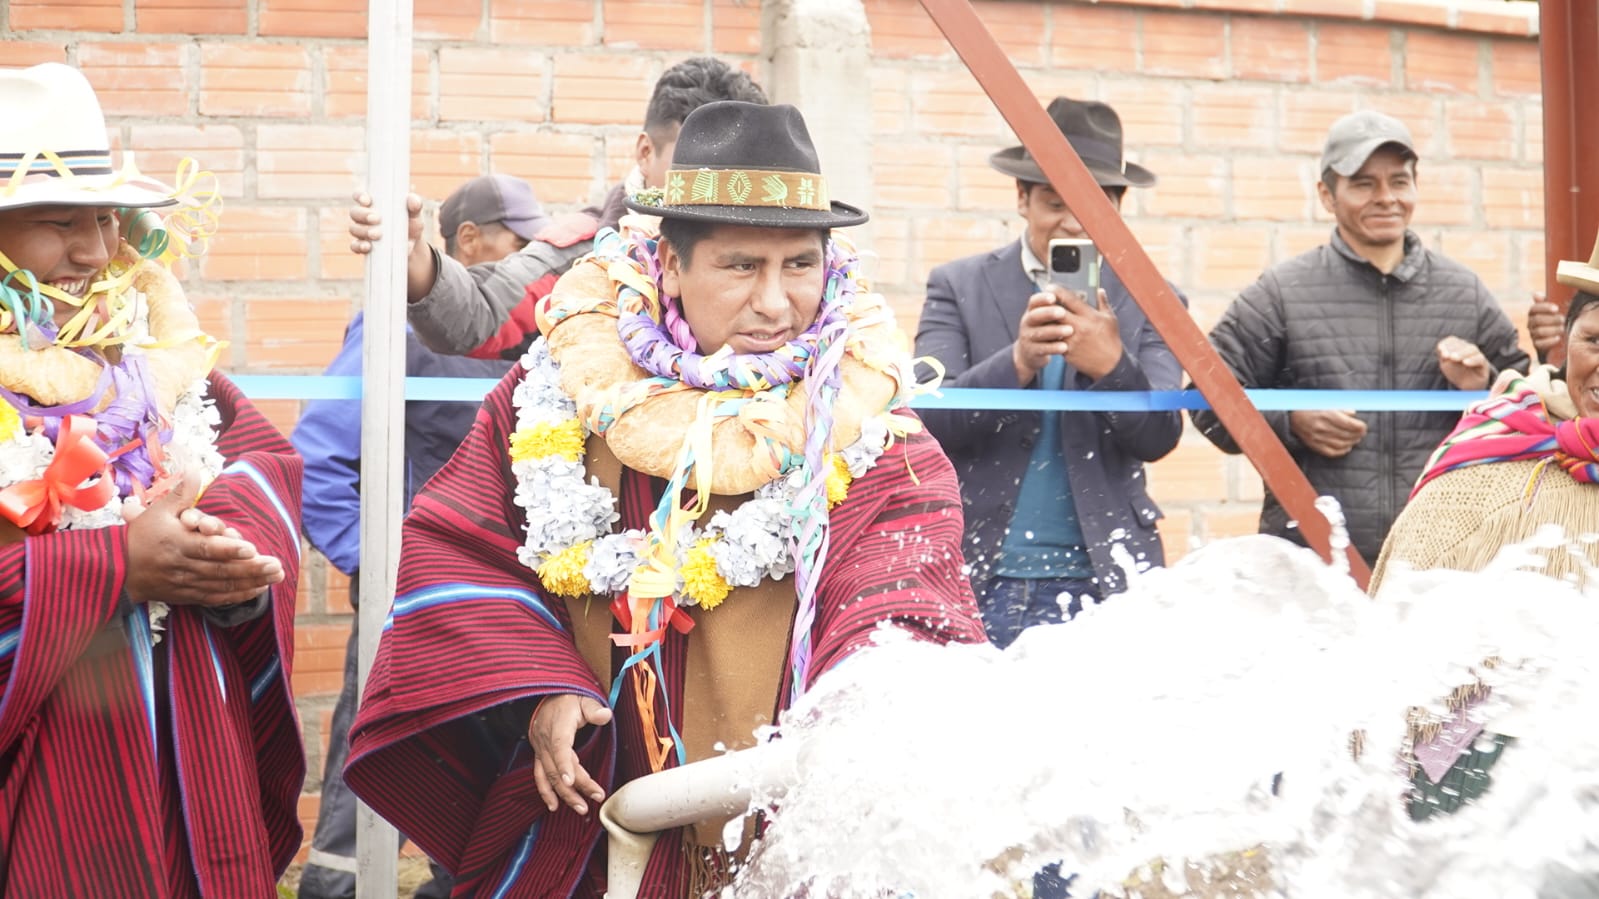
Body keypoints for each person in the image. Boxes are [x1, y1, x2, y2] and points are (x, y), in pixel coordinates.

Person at [342, 101, 988, 897]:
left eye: (799, 265)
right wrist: (543, 686)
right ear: (670, 265)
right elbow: (460, 545)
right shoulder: (558, 393)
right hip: (588, 811)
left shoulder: (869, 426)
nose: (775, 302)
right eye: (740, 266)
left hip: (787, 830)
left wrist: (859, 703)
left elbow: (899, 596)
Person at [0, 63, 303, 895]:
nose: (96, 251)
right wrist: (115, 566)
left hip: (190, 745)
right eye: (58, 222)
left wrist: (220, 548)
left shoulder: (153, 366)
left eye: (105, 218)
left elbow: (264, 465)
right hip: (46, 779)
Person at [291, 174, 530, 899]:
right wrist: (381, 567)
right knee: (366, 785)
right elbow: (316, 461)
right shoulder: (392, 327)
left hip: (502, 611)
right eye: (519, 244)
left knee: (483, 787)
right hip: (408, 606)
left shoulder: (532, 337)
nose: (529, 267)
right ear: (469, 241)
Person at [1191, 109, 1530, 566]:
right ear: (1326, 195)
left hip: (1438, 563)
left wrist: (1481, 385)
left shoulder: (1464, 294)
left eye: (1399, 181)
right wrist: (1289, 421)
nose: (1386, 198)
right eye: (1364, 184)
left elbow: (1529, 411)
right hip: (1313, 566)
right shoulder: (1282, 294)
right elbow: (1205, 400)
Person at [914, 96, 1184, 650]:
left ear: (1118, 207)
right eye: (1054, 202)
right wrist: (1017, 362)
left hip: (1109, 579)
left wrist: (1112, 368)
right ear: (1022, 198)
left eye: (1092, 205)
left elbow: (1161, 437)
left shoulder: (1155, 298)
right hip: (979, 575)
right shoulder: (957, 286)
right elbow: (925, 421)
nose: (1073, 222)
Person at [1367, 240, 1599, 836]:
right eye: (1595, 340)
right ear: (1565, 342)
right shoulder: (1496, 447)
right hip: (1478, 765)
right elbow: (1402, 613)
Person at [346, 56, 767, 361]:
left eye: (738, 172)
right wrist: (412, 255)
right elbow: (479, 315)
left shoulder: (786, 254)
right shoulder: (582, 256)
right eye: (696, 167)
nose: (716, 190)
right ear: (645, 153)